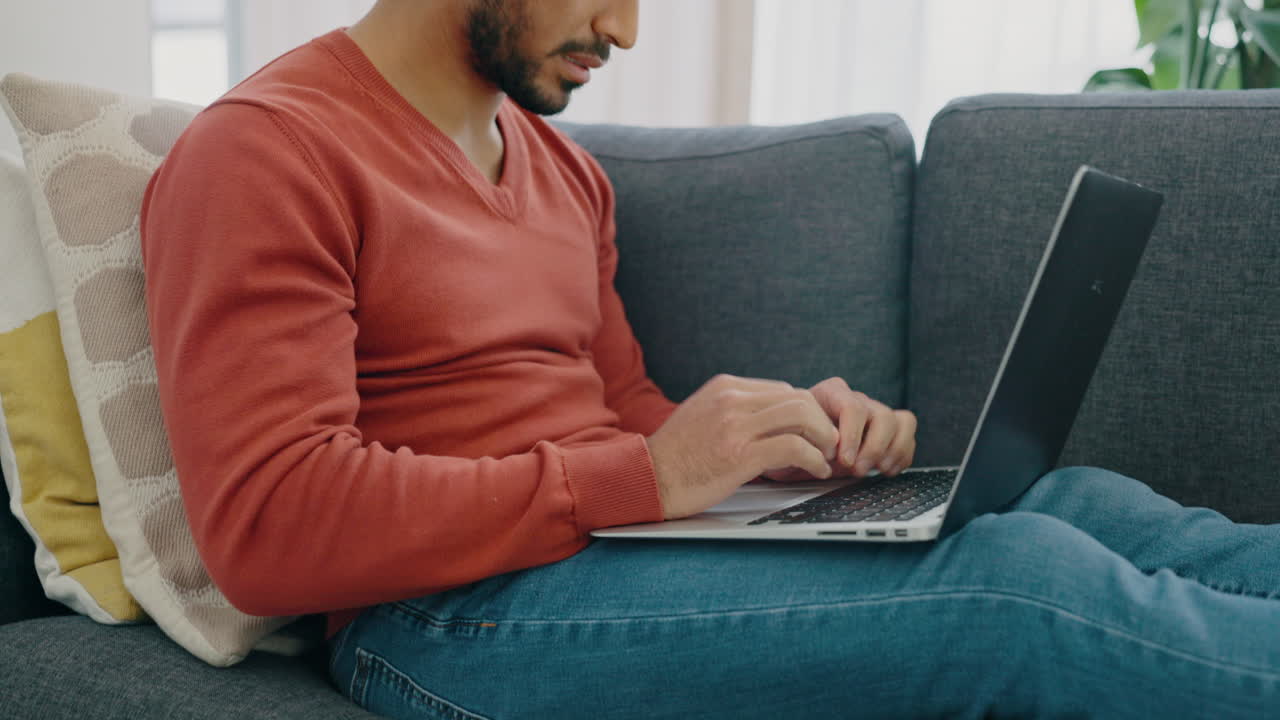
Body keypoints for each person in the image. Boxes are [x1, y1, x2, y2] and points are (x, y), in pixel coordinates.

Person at [140, 0, 1280, 716]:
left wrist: (782, 456)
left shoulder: (560, 168)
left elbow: (622, 409)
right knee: (1016, 592)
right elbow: (267, 527)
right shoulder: (264, 152)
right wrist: (645, 477)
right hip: (442, 621)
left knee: (1080, 504)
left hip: (609, 551)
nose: (626, 31)